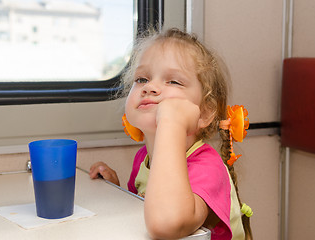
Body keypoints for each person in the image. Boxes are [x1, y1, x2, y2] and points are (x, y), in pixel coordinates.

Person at [89, 28, 253, 240]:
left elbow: (166, 225)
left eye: (173, 81)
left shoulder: (207, 167)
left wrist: (172, 122)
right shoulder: (143, 159)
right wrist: (117, 190)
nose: (150, 87)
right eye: (141, 79)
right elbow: (147, 213)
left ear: (204, 112)